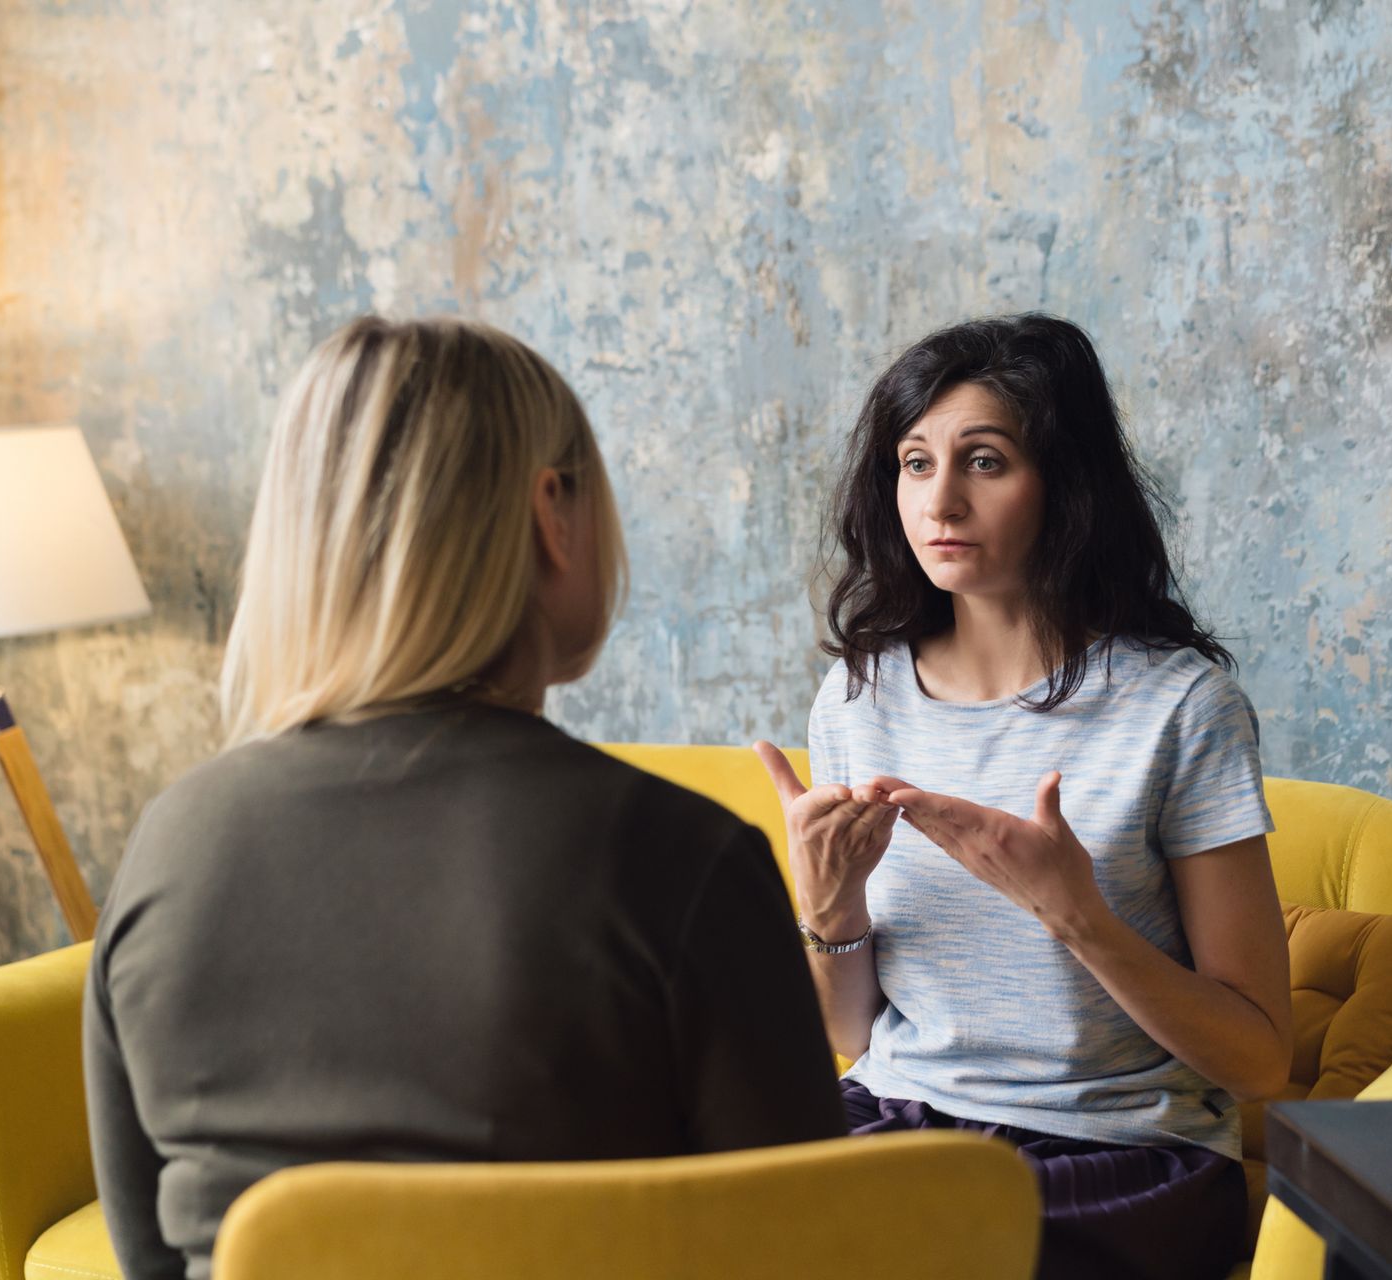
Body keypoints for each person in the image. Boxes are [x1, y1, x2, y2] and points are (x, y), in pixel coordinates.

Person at [86, 316, 845, 1280]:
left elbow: (147, 1255)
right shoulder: (679, 856)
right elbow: (811, 1249)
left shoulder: (169, 843)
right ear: (551, 515)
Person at [755, 313, 1292, 1280]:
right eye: (914, 463)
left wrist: (1076, 914)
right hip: (899, 1119)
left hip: (1121, 1154)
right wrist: (829, 905)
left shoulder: (1180, 706)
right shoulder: (857, 697)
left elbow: (1259, 1061)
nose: (941, 500)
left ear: (1065, 484)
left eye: (985, 462)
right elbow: (846, 1032)